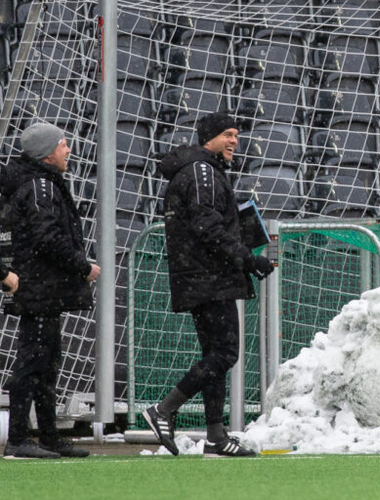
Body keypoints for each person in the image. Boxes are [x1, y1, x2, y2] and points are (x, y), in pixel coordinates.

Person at [143, 112, 273, 457]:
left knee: (214, 355)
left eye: (237, 134)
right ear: (209, 138)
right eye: (228, 134)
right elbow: (208, 226)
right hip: (208, 277)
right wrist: (248, 258)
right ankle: (164, 409)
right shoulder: (202, 171)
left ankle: (216, 436)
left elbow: (206, 224)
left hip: (200, 276)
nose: (235, 141)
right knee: (225, 352)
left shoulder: (200, 170)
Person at [1, 121, 99, 459]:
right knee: (32, 364)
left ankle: (47, 436)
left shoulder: (37, 183)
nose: (68, 150)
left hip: (41, 288)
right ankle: (17, 439)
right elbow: (47, 237)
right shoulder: (41, 186)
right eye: (63, 145)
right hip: (39, 288)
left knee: (46, 364)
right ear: (46, 154)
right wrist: (82, 266)